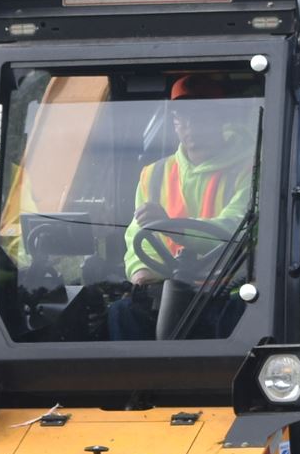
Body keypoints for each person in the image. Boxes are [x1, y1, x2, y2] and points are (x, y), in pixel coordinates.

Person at [110, 73, 258, 339]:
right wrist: (140, 271)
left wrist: (174, 231)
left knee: (241, 320)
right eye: (181, 116)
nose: (189, 125)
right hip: (168, 288)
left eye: (199, 116)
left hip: (227, 291)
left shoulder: (250, 169)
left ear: (220, 118)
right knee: (122, 311)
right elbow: (136, 234)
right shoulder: (154, 173)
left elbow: (235, 227)